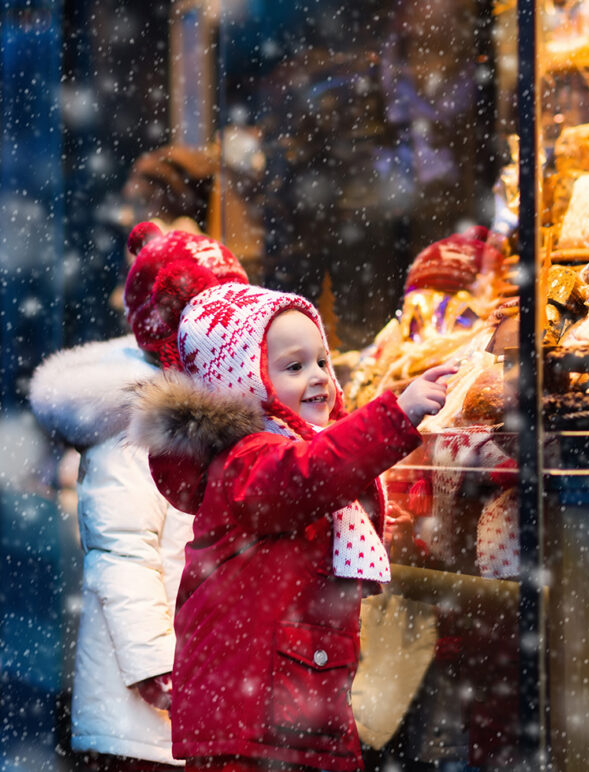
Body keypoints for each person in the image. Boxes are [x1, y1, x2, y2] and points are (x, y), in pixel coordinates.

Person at [123, 221, 453, 772]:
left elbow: (317, 494)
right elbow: (311, 474)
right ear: (244, 382)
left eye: (322, 360)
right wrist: (395, 415)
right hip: (254, 716)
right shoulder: (248, 460)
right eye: (294, 367)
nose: (320, 376)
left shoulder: (283, 457)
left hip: (288, 702)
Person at [28, 225, 250, 772]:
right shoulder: (137, 424)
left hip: (199, 674)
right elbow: (121, 553)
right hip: (152, 699)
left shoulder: (209, 408)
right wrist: (155, 665)